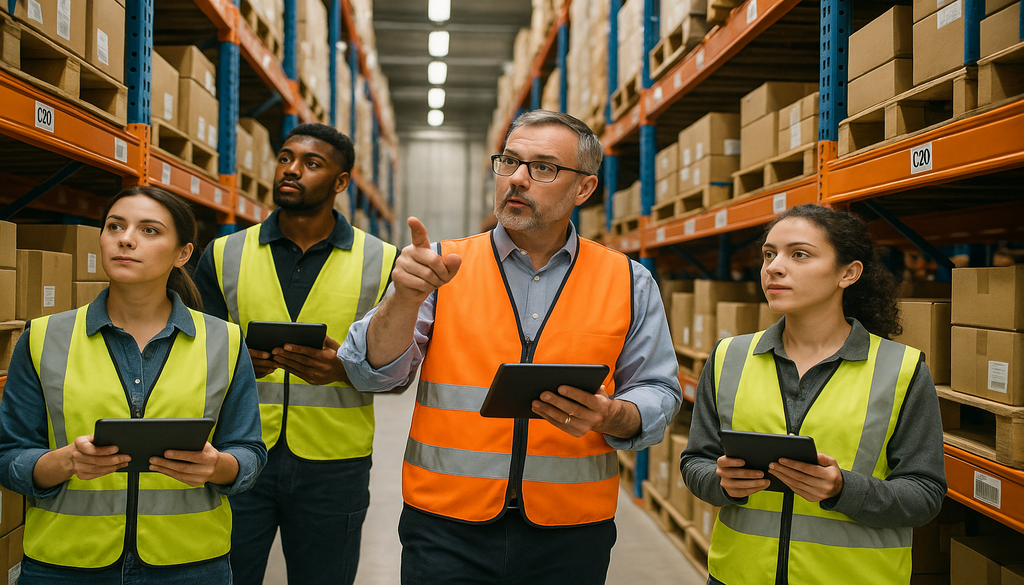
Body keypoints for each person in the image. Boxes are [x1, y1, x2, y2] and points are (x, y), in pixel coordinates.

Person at [340, 109, 683, 585]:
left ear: (583, 188)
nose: (517, 179)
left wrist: (612, 415)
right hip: (446, 524)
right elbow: (369, 372)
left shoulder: (627, 281)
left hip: (571, 529)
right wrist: (402, 299)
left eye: (543, 167)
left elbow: (659, 390)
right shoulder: (440, 266)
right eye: (509, 162)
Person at [0, 186, 267, 583]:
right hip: (66, 565)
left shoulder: (224, 341)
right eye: (115, 226)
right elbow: (9, 455)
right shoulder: (44, 337)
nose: (125, 238)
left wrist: (217, 467)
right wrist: (66, 462)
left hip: (189, 566)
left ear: (183, 254)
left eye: (149, 230)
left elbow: (249, 452)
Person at [680, 204, 947, 585]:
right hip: (737, 576)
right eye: (769, 254)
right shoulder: (729, 357)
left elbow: (925, 495)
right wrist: (721, 483)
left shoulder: (901, 370)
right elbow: (695, 462)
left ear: (848, 273)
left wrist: (843, 488)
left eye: (799, 254)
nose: (774, 267)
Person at [194, 123, 398, 585]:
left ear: (341, 182)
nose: (291, 170)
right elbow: (189, 357)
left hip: (334, 464)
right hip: (237, 453)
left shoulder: (383, 260)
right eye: (286, 158)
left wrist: (345, 371)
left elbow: (401, 372)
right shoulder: (225, 253)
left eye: (311, 163)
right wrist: (238, 363)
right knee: (226, 576)